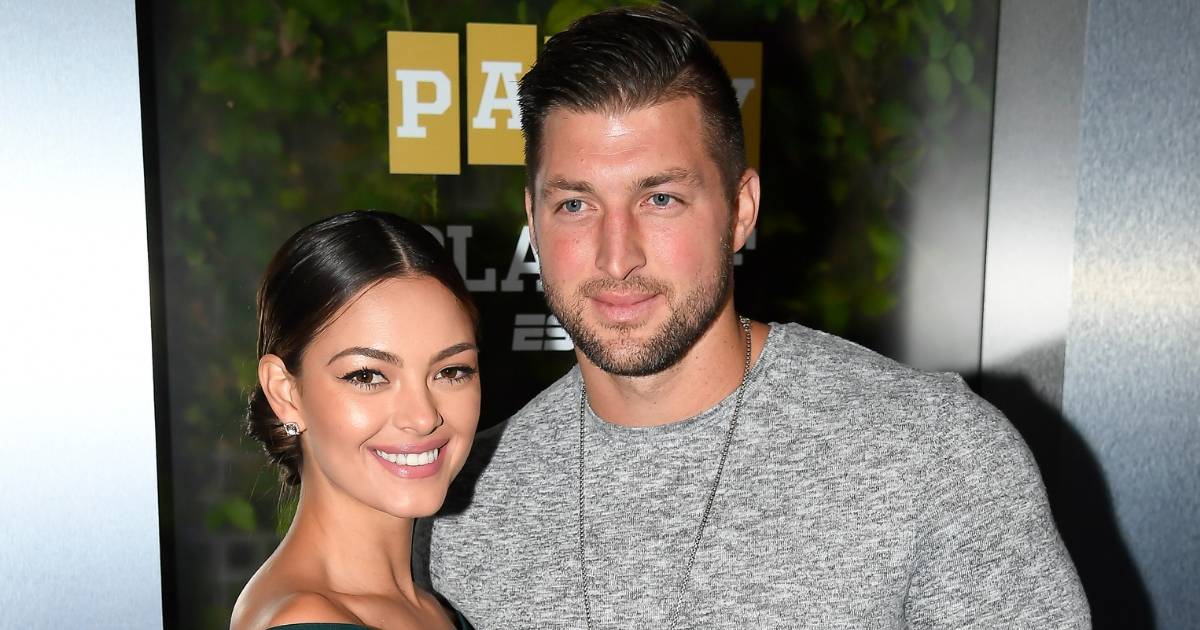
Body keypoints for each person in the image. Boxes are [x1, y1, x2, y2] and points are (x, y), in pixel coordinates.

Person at [415, 5, 1090, 629]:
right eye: (575, 205)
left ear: (740, 209)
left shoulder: (934, 454)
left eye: (660, 199)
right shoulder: (460, 502)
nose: (615, 257)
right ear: (533, 221)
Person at [231, 211, 480, 630]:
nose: (422, 418)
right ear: (285, 393)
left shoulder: (430, 611)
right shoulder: (305, 619)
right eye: (367, 376)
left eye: (451, 371)